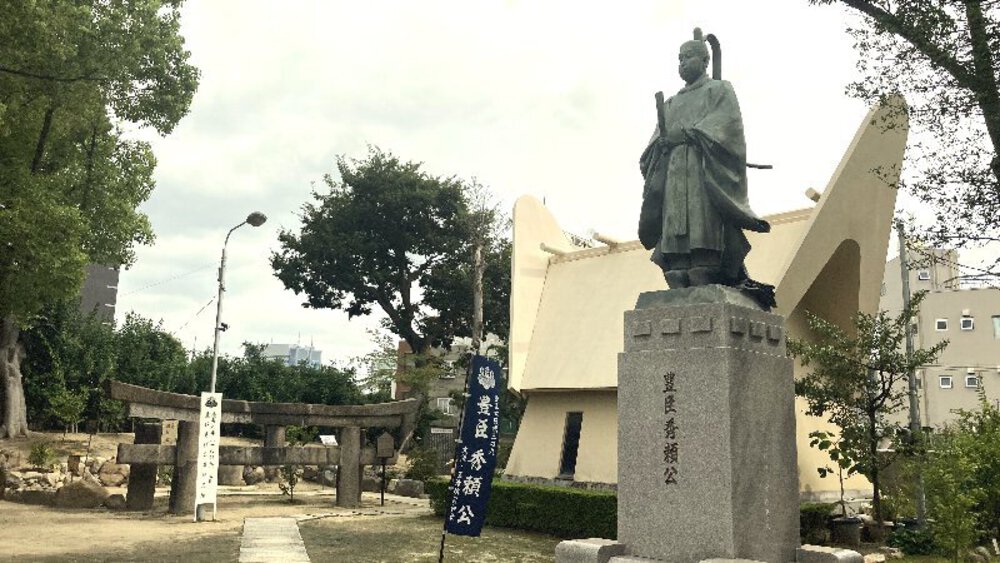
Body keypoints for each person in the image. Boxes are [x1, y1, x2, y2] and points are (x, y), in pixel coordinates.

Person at [638, 29, 772, 297]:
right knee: (674, 222)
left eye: (688, 57)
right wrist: (661, 145)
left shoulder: (719, 90)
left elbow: (727, 126)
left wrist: (692, 133)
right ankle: (676, 264)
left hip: (702, 169)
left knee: (703, 221)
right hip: (674, 170)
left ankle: (706, 262)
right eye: (679, 59)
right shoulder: (672, 103)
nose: (682, 63)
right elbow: (651, 146)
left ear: (704, 61)